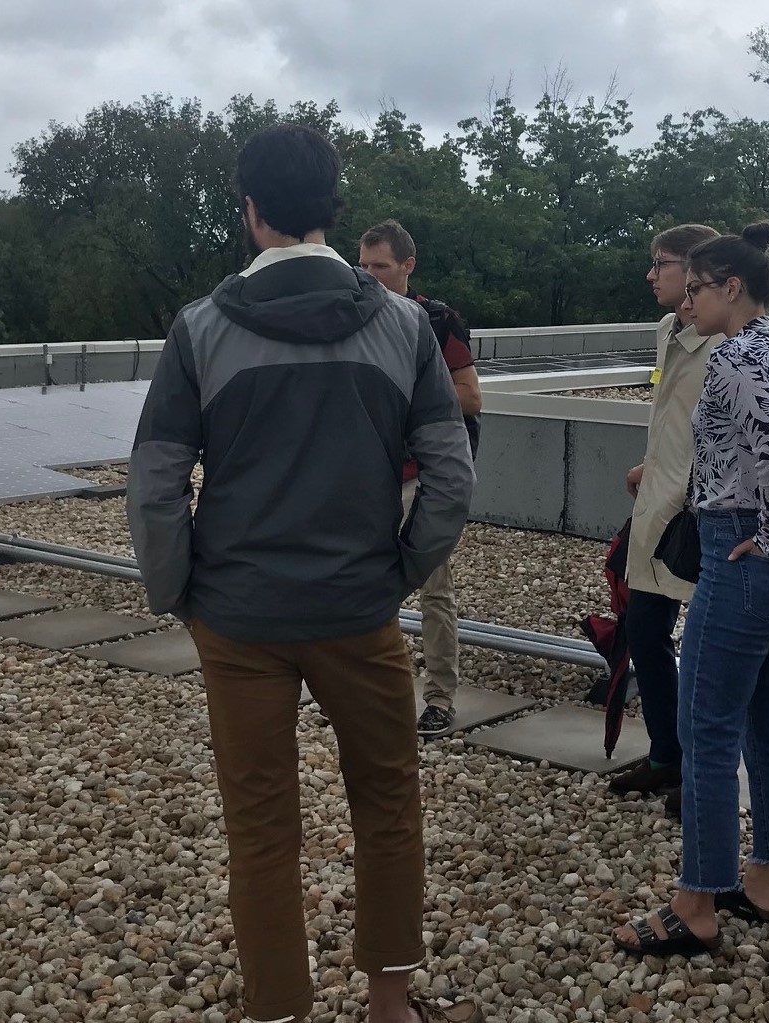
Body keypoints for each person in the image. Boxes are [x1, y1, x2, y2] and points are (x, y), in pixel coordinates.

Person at [127, 126, 477, 1023]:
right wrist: (400, 568)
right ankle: (390, 1001)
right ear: (334, 208)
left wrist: (177, 591)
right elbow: (452, 471)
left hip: (239, 618)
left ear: (250, 212)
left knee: (260, 824)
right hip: (359, 608)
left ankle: (277, 1008)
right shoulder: (404, 326)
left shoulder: (201, 330)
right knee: (388, 803)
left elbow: (157, 479)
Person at [615, 222, 769, 957]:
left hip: (745, 550)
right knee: (767, 718)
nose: (685, 302)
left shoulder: (735, 357)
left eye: (696, 289)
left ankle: (696, 901)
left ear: (731, 289)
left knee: (706, 728)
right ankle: (764, 880)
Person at [606, 223, 724, 815]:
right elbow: (674, 417)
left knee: (706, 652)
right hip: (659, 507)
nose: (652, 274)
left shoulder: (729, 341)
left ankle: (699, 777)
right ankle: (664, 755)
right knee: (647, 633)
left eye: (663, 263)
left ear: (697, 275)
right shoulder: (667, 330)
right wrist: (651, 465)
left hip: (704, 521)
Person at [356, 219, 482, 738]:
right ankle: (361, 692)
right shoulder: (352, 319)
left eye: (378, 266)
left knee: (433, 589)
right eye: (360, 266)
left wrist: (403, 400)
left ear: (408, 266)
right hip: (366, 472)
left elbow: (471, 397)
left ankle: (440, 698)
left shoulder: (437, 321)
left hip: (419, 475)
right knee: (359, 583)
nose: (366, 276)